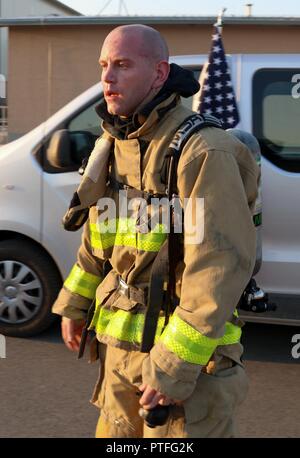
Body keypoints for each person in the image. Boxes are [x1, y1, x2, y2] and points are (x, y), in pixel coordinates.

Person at [52, 24, 259, 438]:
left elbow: (217, 271)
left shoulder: (202, 150)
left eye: (123, 65)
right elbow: (100, 237)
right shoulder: (115, 141)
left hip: (190, 371)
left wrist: (171, 368)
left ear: (160, 73)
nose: (107, 78)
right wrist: (74, 302)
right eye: (104, 66)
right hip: (121, 362)